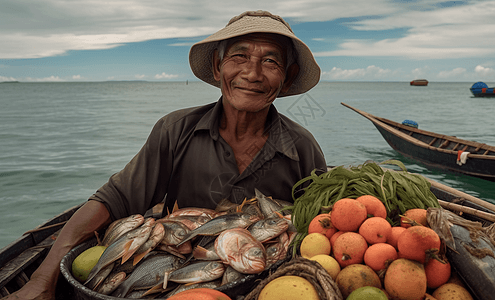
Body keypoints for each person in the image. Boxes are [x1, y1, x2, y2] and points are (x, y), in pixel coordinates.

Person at [3, 10, 326, 299]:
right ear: (217, 67)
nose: (253, 73)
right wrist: (43, 278)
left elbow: (324, 226)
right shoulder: (175, 130)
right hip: (173, 280)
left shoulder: (301, 146)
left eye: (271, 61)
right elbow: (111, 200)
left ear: (287, 78)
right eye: (239, 57)